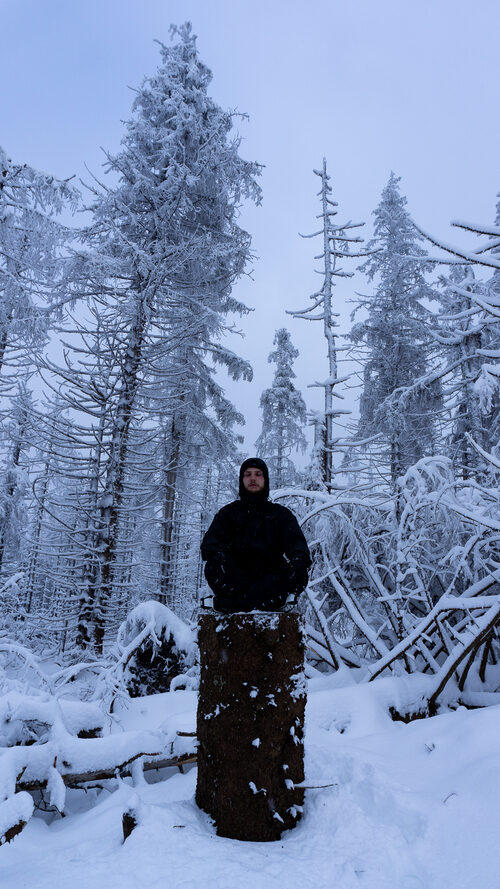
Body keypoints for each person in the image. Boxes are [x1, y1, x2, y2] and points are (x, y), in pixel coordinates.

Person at [201, 457, 311, 612]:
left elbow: (298, 546)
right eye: (248, 474)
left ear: (265, 479)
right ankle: (253, 602)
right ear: (242, 480)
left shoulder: (281, 515)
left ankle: (232, 604)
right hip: (234, 582)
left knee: (299, 568)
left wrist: (298, 562)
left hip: (272, 582)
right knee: (213, 564)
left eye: (258, 474)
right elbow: (211, 544)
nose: (253, 478)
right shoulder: (228, 514)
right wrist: (216, 558)